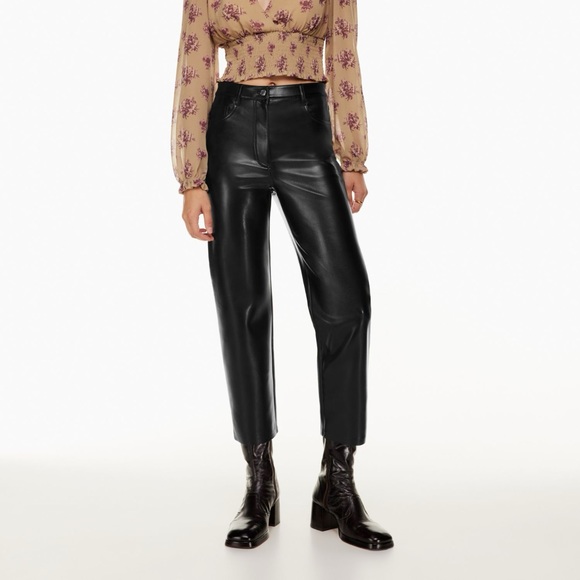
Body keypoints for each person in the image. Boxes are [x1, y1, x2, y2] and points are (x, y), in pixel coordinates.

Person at [170, 0, 394, 551]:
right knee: (242, 304)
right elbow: (194, 65)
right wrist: (191, 178)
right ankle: (259, 482)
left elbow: (343, 56)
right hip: (232, 127)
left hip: (308, 125)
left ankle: (337, 482)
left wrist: (353, 156)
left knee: (347, 302)